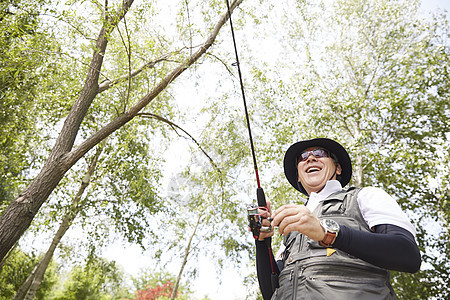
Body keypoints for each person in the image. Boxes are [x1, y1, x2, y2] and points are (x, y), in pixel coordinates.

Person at [255, 138, 421, 300]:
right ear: (298, 176)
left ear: (338, 168)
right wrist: (262, 242)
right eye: (302, 158)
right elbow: (272, 293)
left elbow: (408, 255)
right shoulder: (292, 226)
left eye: (320, 153)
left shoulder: (365, 196)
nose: (311, 158)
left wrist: (327, 233)